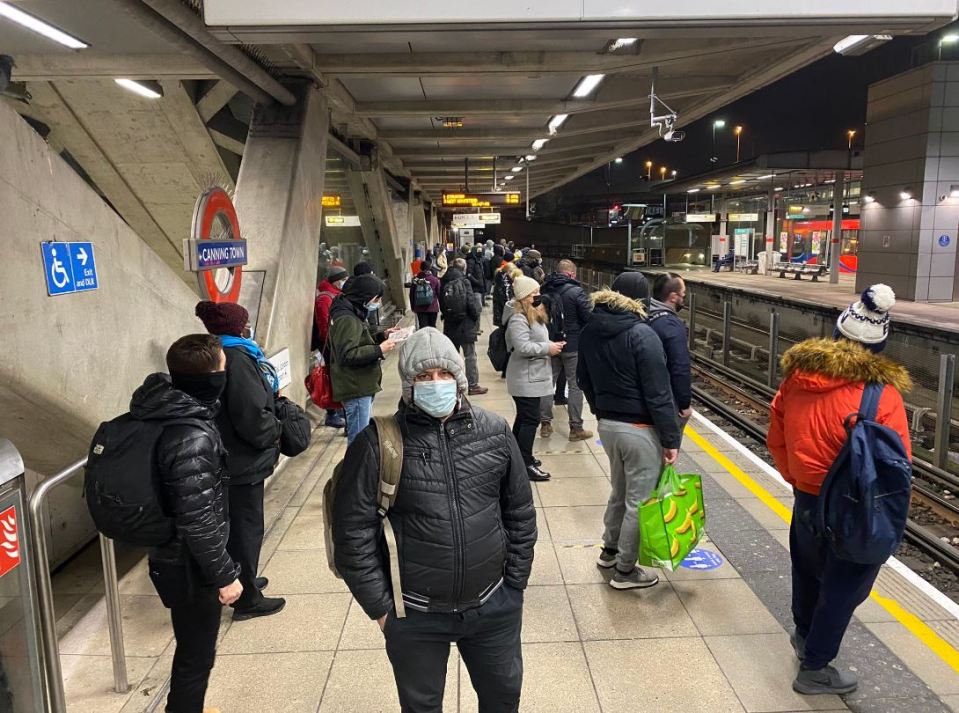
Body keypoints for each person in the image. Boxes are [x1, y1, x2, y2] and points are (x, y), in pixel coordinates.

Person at [332, 328, 536, 713]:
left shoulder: (494, 432)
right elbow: (352, 534)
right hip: (414, 613)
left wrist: (514, 584)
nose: (436, 384)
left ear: (459, 378)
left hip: (494, 603)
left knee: (503, 698)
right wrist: (381, 610)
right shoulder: (378, 444)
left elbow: (520, 512)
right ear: (408, 384)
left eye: (444, 374)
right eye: (424, 377)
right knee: (422, 706)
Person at [767, 284, 911, 696]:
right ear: (879, 346)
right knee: (847, 583)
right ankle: (815, 667)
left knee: (808, 569)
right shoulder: (883, 396)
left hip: (807, 498)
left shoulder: (796, 379)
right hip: (853, 504)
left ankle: (804, 634)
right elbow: (898, 468)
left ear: (836, 335)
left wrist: (796, 477)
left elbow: (775, 436)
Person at [141, 334, 242, 713]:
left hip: (170, 550)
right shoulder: (190, 436)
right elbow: (197, 519)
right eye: (222, 368)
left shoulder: (163, 409)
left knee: (192, 646)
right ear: (212, 378)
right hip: (188, 560)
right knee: (197, 655)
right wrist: (225, 575)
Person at [576, 272, 682, 590]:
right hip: (638, 428)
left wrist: (599, 410)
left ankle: (609, 551)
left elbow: (582, 378)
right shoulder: (642, 333)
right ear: (641, 299)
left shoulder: (591, 329)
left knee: (620, 492)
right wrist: (670, 438)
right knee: (639, 500)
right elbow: (658, 391)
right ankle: (625, 570)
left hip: (608, 426)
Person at [194, 300, 285, 621]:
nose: (249, 327)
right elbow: (251, 414)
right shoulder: (236, 358)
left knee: (236, 526)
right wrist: (275, 432)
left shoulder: (215, 354)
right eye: (246, 322)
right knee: (246, 528)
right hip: (242, 460)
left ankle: (243, 578)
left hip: (227, 457)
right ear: (238, 327)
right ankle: (247, 598)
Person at [328, 274, 401, 444]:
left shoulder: (351, 310)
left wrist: (382, 336)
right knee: (359, 440)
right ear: (365, 297)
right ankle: (357, 469)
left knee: (362, 435)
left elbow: (358, 340)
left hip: (359, 384)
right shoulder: (346, 318)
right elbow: (347, 354)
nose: (377, 303)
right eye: (376, 299)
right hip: (355, 386)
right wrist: (378, 350)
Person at [505, 275, 564, 482]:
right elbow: (522, 347)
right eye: (533, 293)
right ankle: (525, 464)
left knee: (524, 418)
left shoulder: (531, 313)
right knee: (530, 419)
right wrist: (548, 348)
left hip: (532, 376)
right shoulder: (517, 318)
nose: (538, 296)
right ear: (523, 296)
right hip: (524, 378)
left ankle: (518, 458)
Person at [539, 259, 593, 441]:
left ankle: (545, 424)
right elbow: (588, 318)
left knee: (548, 382)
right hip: (572, 345)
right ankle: (576, 428)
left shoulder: (545, 289)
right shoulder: (576, 292)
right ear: (570, 274)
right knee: (575, 386)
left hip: (551, 344)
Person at [648, 272, 692, 431]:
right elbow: (679, 367)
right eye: (683, 294)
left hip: (645, 394)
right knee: (669, 449)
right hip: (665, 398)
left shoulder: (644, 314)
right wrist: (684, 404)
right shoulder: (671, 325)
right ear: (673, 297)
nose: (684, 298)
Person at [439, 258, 488, 395]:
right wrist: (474, 318)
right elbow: (471, 304)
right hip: (466, 325)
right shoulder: (465, 281)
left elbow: (441, 303)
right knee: (470, 356)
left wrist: (448, 315)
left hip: (450, 325)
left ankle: (453, 386)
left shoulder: (443, 281)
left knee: (452, 357)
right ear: (464, 268)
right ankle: (472, 385)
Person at [314, 266, 350, 428]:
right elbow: (324, 326)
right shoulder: (324, 298)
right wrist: (336, 342)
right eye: (343, 279)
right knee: (330, 377)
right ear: (336, 281)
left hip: (336, 343)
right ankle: (332, 414)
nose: (345, 282)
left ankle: (338, 408)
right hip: (330, 345)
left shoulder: (337, 294)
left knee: (337, 377)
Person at [409, 258, 442, 330]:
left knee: (423, 328)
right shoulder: (435, 280)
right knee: (432, 328)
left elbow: (411, 295)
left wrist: (413, 307)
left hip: (420, 308)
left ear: (420, 268)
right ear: (430, 268)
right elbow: (439, 294)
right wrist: (441, 307)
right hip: (433, 307)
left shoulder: (416, 280)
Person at [492, 253, 519, 327]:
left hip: (500, 310)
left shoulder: (500, 274)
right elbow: (506, 297)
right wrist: (511, 308)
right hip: (504, 312)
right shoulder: (504, 279)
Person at [466, 245, 486, 316]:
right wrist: (477, 282)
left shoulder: (479, 260)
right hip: (475, 289)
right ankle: (475, 326)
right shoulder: (471, 261)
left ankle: (477, 326)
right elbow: (469, 274)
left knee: (478, 309)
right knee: (477, 308)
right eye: (479, 251)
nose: (480, 253)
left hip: (479, 288)